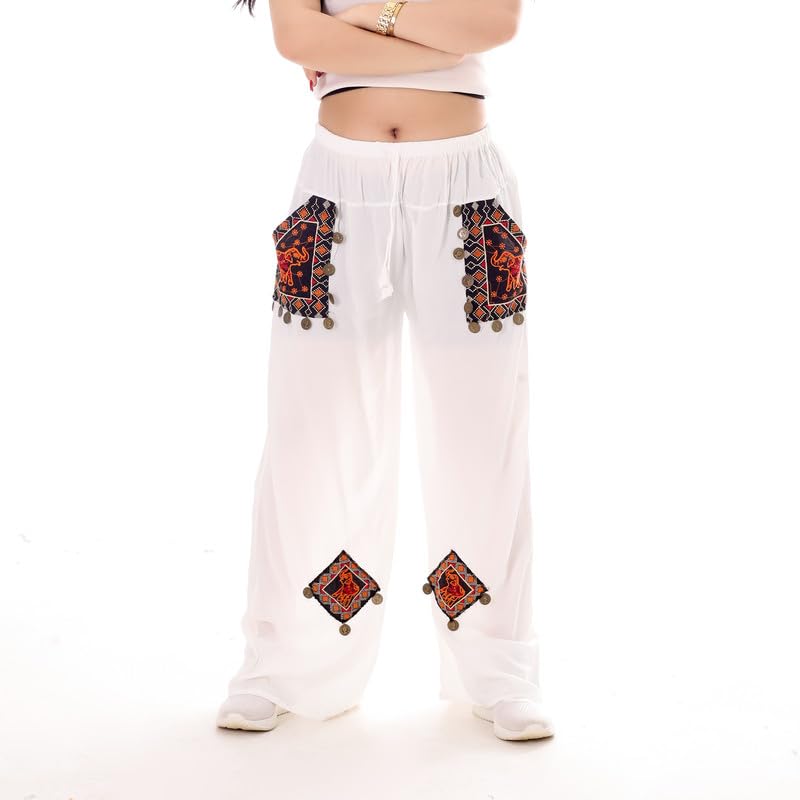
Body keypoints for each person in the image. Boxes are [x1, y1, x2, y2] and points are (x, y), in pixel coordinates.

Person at [216, 0, 555, 742]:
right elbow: (296, 37)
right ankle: (281, 662)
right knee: (310, 431)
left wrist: (361, 25)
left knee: (481, 432)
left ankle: (499, 667)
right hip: (338, 185)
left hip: (467, 189)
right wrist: (435, 39)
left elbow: (494, 24)